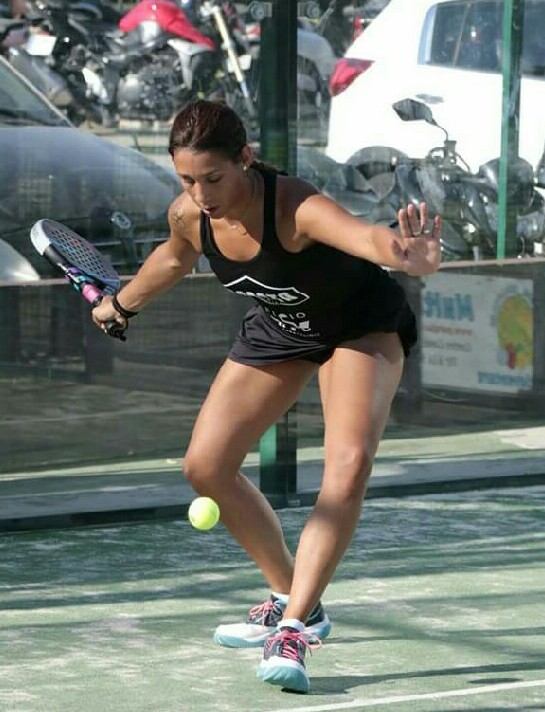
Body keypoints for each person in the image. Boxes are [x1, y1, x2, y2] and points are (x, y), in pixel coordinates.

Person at [92, 99, 442, 694]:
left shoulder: (294, 207)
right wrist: (121, 305)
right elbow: (174, 258)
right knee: (205, 467)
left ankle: (295, 628)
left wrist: (409, 256)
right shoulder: (190, 214)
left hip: (358, 327)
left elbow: (366, 238)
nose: (201, 193)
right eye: (187, 180)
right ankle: (291, 593)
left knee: (348, 465)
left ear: (245, 159)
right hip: (280, 328)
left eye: (213, 178)